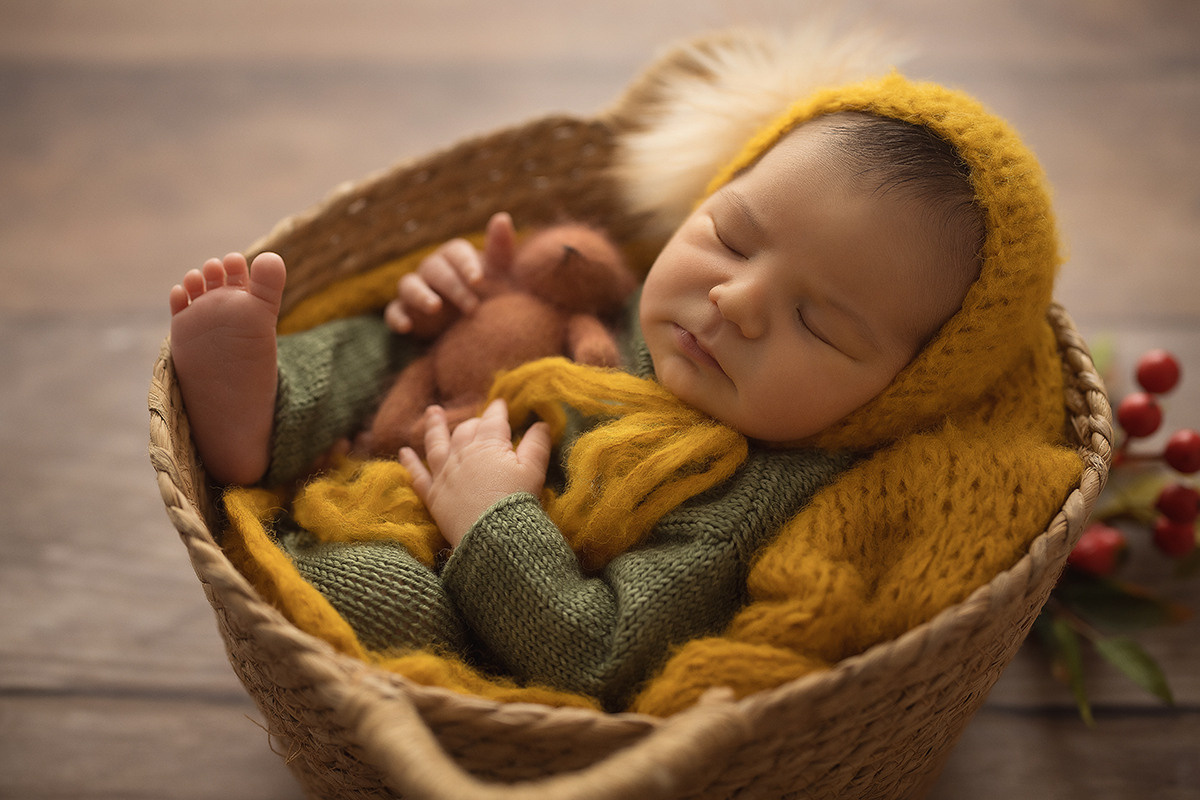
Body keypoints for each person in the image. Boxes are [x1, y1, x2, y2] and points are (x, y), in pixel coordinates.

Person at [167, 68, 1080, 714]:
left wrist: (493, 520)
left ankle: (295, 499)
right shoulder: (640, 301)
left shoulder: (745, 500)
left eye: (822, 324)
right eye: (730, 235)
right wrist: (455, 298)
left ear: (899, 393)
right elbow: (508, 316)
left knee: (370, 588)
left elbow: (593, 651)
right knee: (400, 335)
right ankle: (268, 409)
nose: (735, 301)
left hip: (468, 582)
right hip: (409, 432)